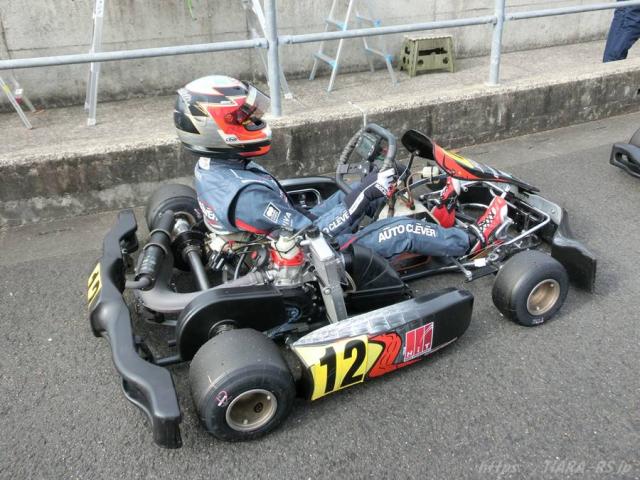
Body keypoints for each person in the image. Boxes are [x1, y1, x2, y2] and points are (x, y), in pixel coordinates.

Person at [174, 75, 509, 261]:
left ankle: (426, 207)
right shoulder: (249, 196)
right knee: (402, 231)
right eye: (246, 119)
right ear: (216, 129)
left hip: (280, 234)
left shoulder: (215, 167)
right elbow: (315, 237)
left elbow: (303, 220)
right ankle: (470, 241)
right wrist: (364, 196)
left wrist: (365, 190)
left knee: (361, 189)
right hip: (309, 258)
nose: (256, 123)